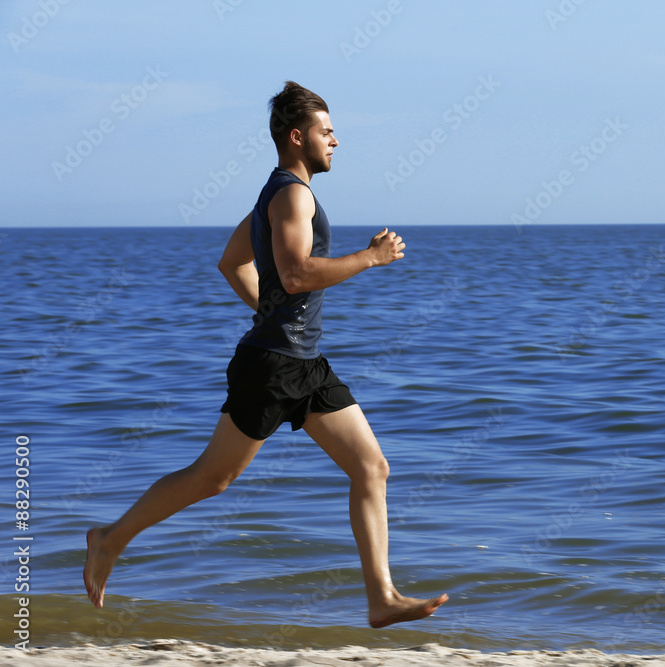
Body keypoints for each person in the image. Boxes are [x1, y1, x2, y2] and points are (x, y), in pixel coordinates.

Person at [84, 81, 448, 629]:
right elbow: (297, 273)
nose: (336, 141)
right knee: (212, 478)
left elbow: (233, 262)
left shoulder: (274, 197)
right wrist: (369, 258)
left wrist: (271, 310)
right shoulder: (292, 197)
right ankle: (109, 539)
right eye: (327, 132)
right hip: (272, 366)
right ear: (298, 137)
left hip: (305, 364)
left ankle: (381, 597)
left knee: (371, 467)